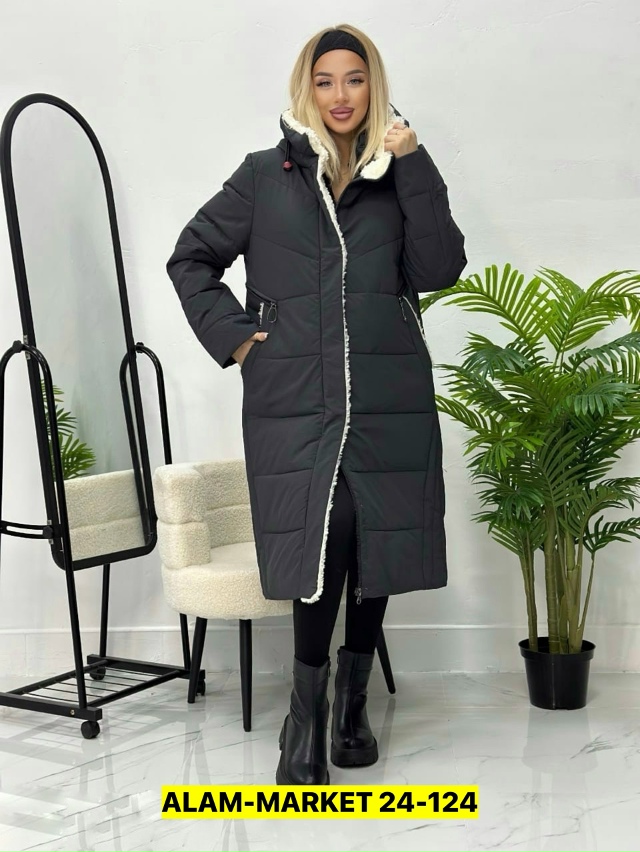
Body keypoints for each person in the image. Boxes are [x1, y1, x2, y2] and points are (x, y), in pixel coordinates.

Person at [166, 23, 467, 785]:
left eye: (355, 80)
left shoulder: (396, 173)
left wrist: (415, 161)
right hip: (295, 393)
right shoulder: (264, 176)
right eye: (326, 80)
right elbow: (191, 257)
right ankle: (306, 711)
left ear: (374, 87)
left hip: (388, 389)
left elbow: (440, 268)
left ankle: (351, 704)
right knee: (323, 537)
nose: (340, 95)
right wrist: (239, 339)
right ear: (307, 87)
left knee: (376, 537)